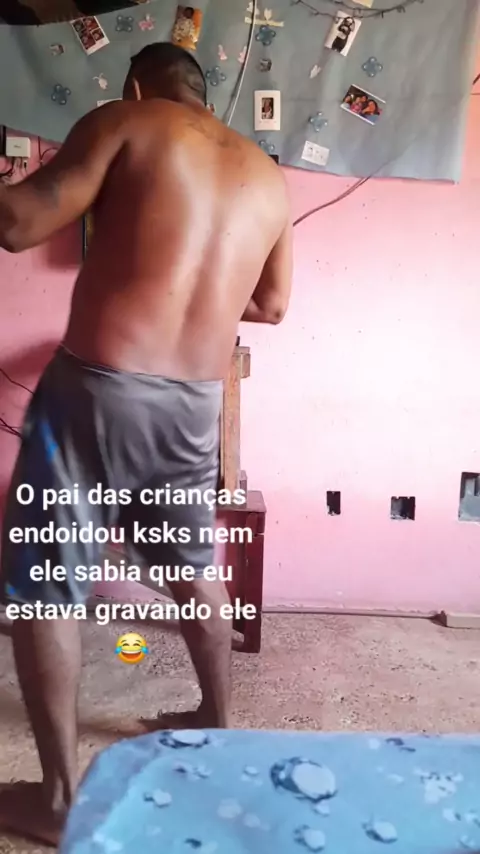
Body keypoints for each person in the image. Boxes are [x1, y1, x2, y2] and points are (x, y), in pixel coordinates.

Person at [0, 42, 292, 846]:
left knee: (47, 585)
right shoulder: (265, 175)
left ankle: (59, 800)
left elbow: (20, 225)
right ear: (203, 94)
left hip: (97, 390)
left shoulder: (125, 121)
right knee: (193, 568)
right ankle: (215, 723)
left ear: (136, 85)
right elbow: (272, 305)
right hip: (193, 404)